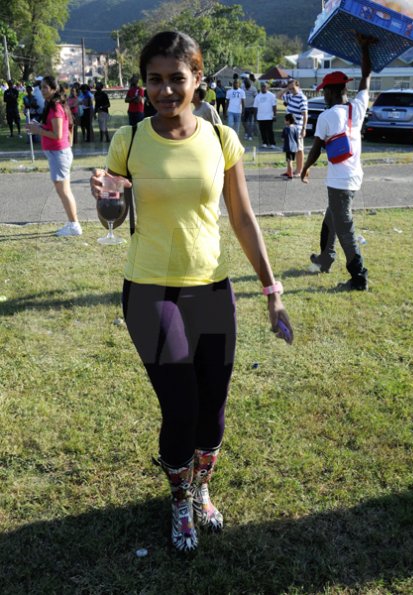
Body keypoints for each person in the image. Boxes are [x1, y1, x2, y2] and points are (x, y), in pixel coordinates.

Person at [90, 30, 293, 553]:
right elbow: (112, 220)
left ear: (198, 80)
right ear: (145, 84)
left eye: (176, 79)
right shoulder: (128, 140)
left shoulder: (221, 139)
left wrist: (272, 289)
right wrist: (108, 201)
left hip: (211, 290)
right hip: (149, 292)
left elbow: (244, 218)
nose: (165, 90)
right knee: (180, 406)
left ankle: (202, 489)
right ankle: (180, 499)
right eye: (154, 80)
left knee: (214, 408)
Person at [301, 35, 373, 291]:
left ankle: (359, 278)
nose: (324, 96)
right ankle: (325, 259)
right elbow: (366, 77)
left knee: (345, 229)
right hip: (354, 179)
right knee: (331, 219)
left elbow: (317, 149)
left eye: (325, 92)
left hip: (339, 182)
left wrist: (305, 167)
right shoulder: (358, 107)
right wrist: (365, 48)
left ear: (332, 92)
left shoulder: (327, 116)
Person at [26, 76, 82, 237]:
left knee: (64, 191)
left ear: (53, 89)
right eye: (41, 87)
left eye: (45, 87)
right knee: (63, 190)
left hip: (59, 154)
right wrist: (40, 126)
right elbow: (61, 129)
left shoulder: (56, 107)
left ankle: (74, 225)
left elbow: (57, 135)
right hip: (58, 154)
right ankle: (72, 222)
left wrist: (38, 130)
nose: (42, 90)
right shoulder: (53, 105)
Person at [278, 80, 308, 176]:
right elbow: (278, 96)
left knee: (299, 149)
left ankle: (299, 170)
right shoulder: (291, 96)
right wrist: (287, 88)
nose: (291, 90)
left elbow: (305, 114)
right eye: (290, 88)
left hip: (297, 129)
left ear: (298, 86)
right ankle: (290, 171)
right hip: (289, 128)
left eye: (293, 88)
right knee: (290, 149)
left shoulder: (302, 98)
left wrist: (304, 129)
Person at [254, 82, 277, 149]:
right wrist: (255, 117)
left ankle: (272, 143)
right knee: (262, 131)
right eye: (262, 87)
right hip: (260, 117)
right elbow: (255, 107)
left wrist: (275, 115)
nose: (263, 88)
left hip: (269, 117)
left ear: (267, 87)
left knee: (270, 131)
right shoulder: (258, 96)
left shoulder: (271, 95)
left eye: (264, 86)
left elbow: (274, 106)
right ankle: (265, 143)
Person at [281, 113, 298, 179]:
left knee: (289, 161)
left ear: (288, 121)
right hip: (294, 147)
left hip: (288, 147)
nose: (284, 121)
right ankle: (288, 172)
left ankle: (290, 174)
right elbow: (296, 137)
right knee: (291, 160)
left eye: (285, 120)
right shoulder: (295, 128)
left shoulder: (286, 128)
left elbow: (282, 138)